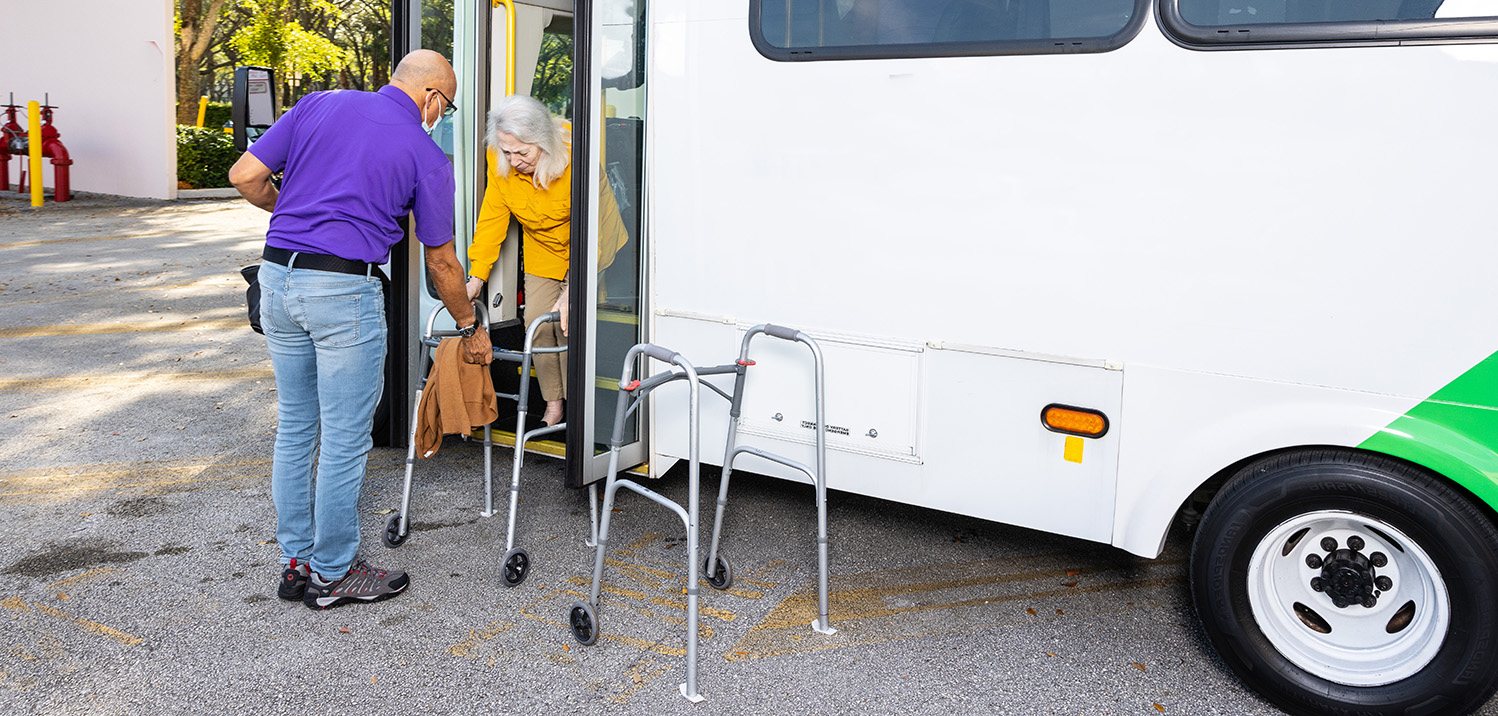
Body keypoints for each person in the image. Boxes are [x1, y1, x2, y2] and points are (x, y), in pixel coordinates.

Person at [228, 50, 492, 611]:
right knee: (346, 440)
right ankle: (334, 574)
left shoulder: (317, 104)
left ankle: (296, 564)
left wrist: (289, 213)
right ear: (432, 98)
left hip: (276, 280)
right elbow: (442, 264)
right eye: (444, 107)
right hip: (342, 294)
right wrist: (469, 325)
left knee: (298, 426)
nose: (439, 116)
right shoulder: (425, 153)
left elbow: (245, 176)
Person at [466, 95, 574, 427]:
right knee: (537, 326)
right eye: (507, 151)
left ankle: (581, 409)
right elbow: (492, 219)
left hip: (588, 248)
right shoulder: (500, 158)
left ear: (544, 142)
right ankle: (553, 404)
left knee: (572, 326)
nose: (513, 160)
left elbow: (597, 227)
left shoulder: (574, 153)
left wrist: (573, 291)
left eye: (522, 152)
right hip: (543, 249)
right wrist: (476, 277)